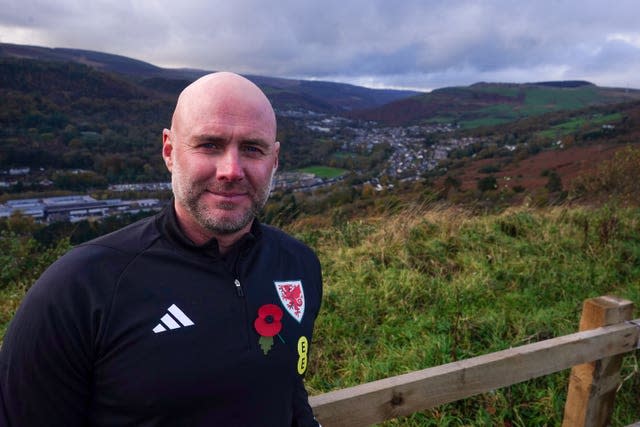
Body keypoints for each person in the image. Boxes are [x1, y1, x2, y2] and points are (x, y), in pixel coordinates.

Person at [0, 72, 323, 426]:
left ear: (274, 160)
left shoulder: (298, 265)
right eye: (209, 145)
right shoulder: (79, 288)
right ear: (169, 152)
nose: (231, 170)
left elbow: (288, 392)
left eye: (252, 148)